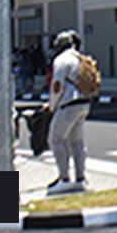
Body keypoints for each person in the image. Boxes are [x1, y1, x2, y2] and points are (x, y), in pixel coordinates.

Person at [47, 30, 92, 194]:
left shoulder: (61, 60)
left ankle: (64, 178)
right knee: (77, 142)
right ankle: (80, 179)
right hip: (84, 103)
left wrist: (52, 105)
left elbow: (57, 85)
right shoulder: (80, 58)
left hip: (68, 103)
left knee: (56, 139)